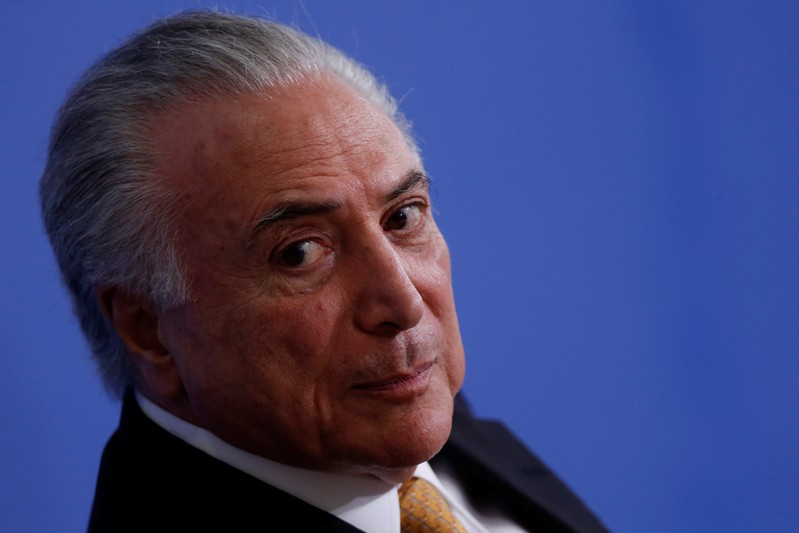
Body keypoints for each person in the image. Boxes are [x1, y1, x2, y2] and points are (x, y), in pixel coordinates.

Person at [40, 10, 607, 533]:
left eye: (403, 216)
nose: (402, 302)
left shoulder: (400, 409)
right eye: (299, 253)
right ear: (148, 331)